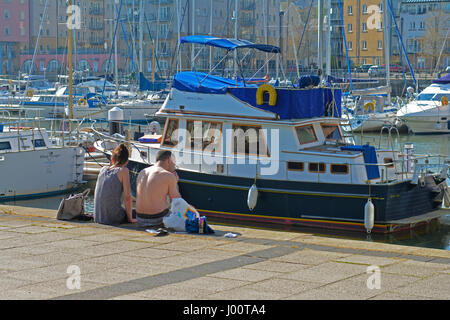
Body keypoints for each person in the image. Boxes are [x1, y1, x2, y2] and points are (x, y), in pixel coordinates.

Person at [136, 150, 181, 228]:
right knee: (185, 216)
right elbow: (176, 202)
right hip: (158, 218)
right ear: (169, 160)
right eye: (174, 162)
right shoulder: (168, 175)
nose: (174, 166)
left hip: (140, 218)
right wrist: (175, 183)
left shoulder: (142, 172)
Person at [94, 143, 136, 225]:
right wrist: (130, 219)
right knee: (137, 213)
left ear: (112, 159)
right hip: (112, 218)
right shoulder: (123, 171)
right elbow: (127, 197)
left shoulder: (103, 169)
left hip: (98, 217)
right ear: (127, 161)